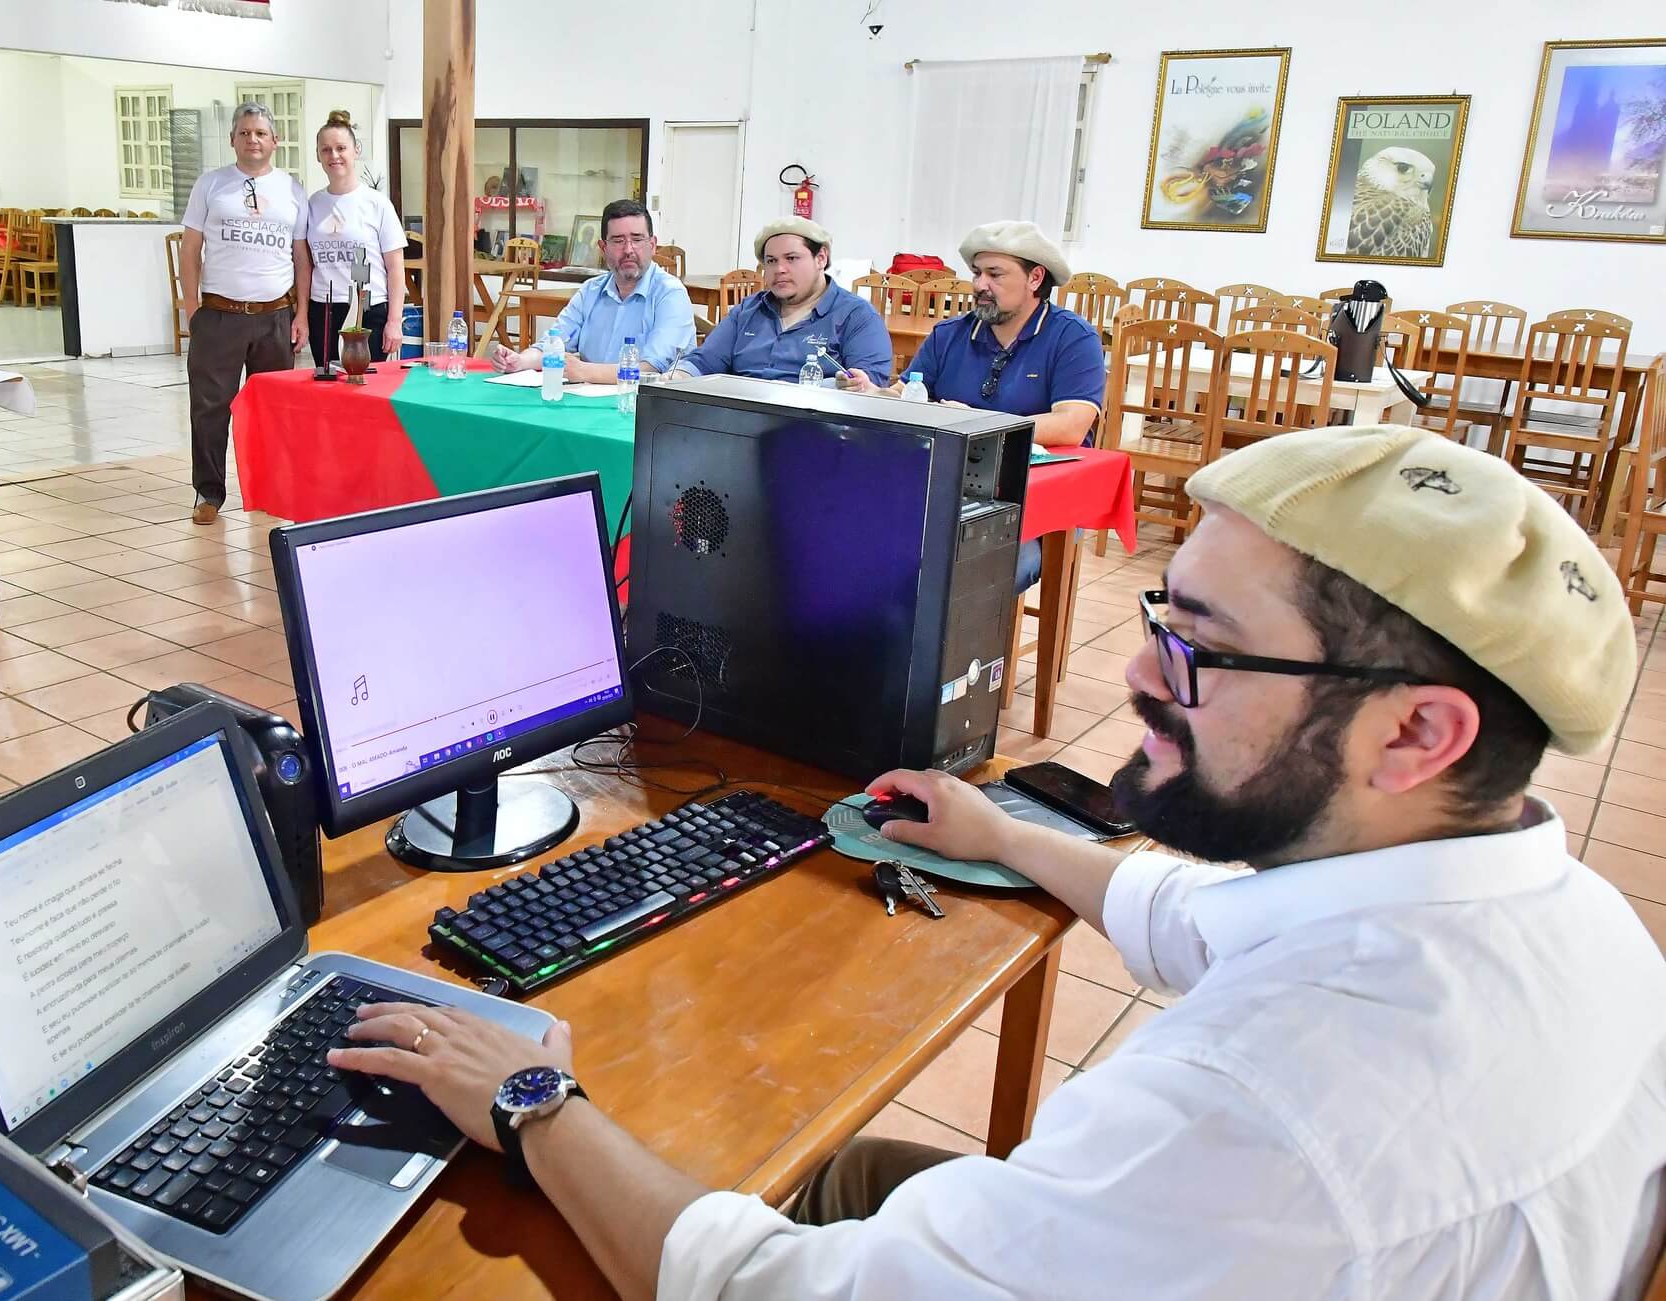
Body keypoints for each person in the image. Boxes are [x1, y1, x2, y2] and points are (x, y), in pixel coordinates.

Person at [326, 425, 1665, 1299]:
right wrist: (1009, 836)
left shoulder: (1257, 1120)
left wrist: (536, 1103)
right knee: (836, 1166)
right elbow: (1204, 918)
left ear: (1419, 731)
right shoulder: (1578, 920)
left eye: (1197, 644)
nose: (1141, 674)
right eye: (1161, 614)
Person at [845, 220, 1104, 591]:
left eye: (995, 274)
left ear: (1035, 279)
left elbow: (1071, 425)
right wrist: (871, 393)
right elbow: (907, 394)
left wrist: (977, 423)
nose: (981, 285)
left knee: (974, 575)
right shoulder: (949, 335)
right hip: (941, 491)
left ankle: (962, 646)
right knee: (862, 547)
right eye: (977, 273)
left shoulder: (1072, 338)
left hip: (1029, 505)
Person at [180, 102, 309, 525]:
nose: (253, 139)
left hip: (275, 316)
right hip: (219, 315)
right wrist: (191, 308)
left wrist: (301, 313)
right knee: (210, 406)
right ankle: (209, 493)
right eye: (245, 133)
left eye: (260, 133)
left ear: (274, 141)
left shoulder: (292, 190)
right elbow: (191, 249)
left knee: (272, 410)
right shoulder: (211, 185)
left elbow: (301, 257)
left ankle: (270, 489)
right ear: (233, 139)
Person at [491, 199, 695, 382]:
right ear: (603, 247)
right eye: (618, 240)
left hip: (647, 410)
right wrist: (520, 360)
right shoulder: (591, 291)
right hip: (590, 403)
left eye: (637, 239)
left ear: (652, 245)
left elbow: (651, 370)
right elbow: (555, 342)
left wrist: (584, 371)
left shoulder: (670, 294)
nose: (628, 250)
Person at [671, 218, 891, 386]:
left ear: (821, 258)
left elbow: (868, 386)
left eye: (792, 258)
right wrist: (677, 376)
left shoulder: (857, 317)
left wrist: (856, 384)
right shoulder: (748, 311)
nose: (780, 269)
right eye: (771, 261)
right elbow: (704, 361)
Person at [304, 108, 405, 372]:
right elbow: (305, 264)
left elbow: (395, 268)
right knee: (328, 386)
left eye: (341, 148)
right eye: (326, 150)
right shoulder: (313, 204)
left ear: (355, 150)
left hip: (368, 308)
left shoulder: (377, 204)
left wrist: (394, 321)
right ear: (318, 155)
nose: (334, 156)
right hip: (324, 308)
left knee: (366, 387)